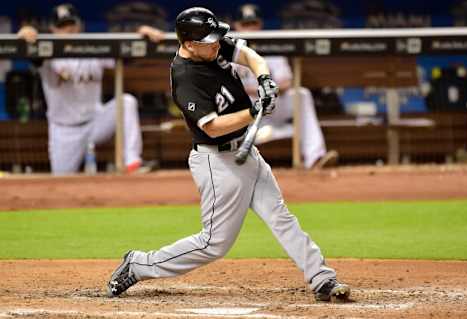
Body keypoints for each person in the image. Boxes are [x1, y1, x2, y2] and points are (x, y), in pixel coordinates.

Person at [106, 7, 350, 303]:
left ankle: (321, 277)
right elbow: (213, 128)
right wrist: (253, 112)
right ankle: (140, 263)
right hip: (217, 162)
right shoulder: (185, 77)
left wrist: (264, 80)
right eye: (209, 41)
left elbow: (249, 55)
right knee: (213, 244)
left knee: (280, 216)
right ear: (188, 44)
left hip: (246, 153)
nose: (217, 44)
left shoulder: (212, 46)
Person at [17, 4, 164, 175]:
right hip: (64, 130)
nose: (68, 30)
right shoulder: (48, 54)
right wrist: (25, 33)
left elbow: (127, 54)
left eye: (71, 24)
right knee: (60, 182)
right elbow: (32, 53)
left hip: (96, 122)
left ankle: (132, 162)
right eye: (62, 26)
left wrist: (141, 34)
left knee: (126, 102)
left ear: (79, 26)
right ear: (53, 29)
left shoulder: (93, 48)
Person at [233, 4, 338, 169]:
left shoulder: (272, 46)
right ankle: (270, 134)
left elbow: (287, 82)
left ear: (260, 24)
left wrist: (271, 90)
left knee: (301, 95)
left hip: (272, 103)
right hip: (245, 112)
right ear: (236, 26)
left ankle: (315, 158)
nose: (250, 29)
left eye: (253, 23)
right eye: (245, 24)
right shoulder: (226, 50)